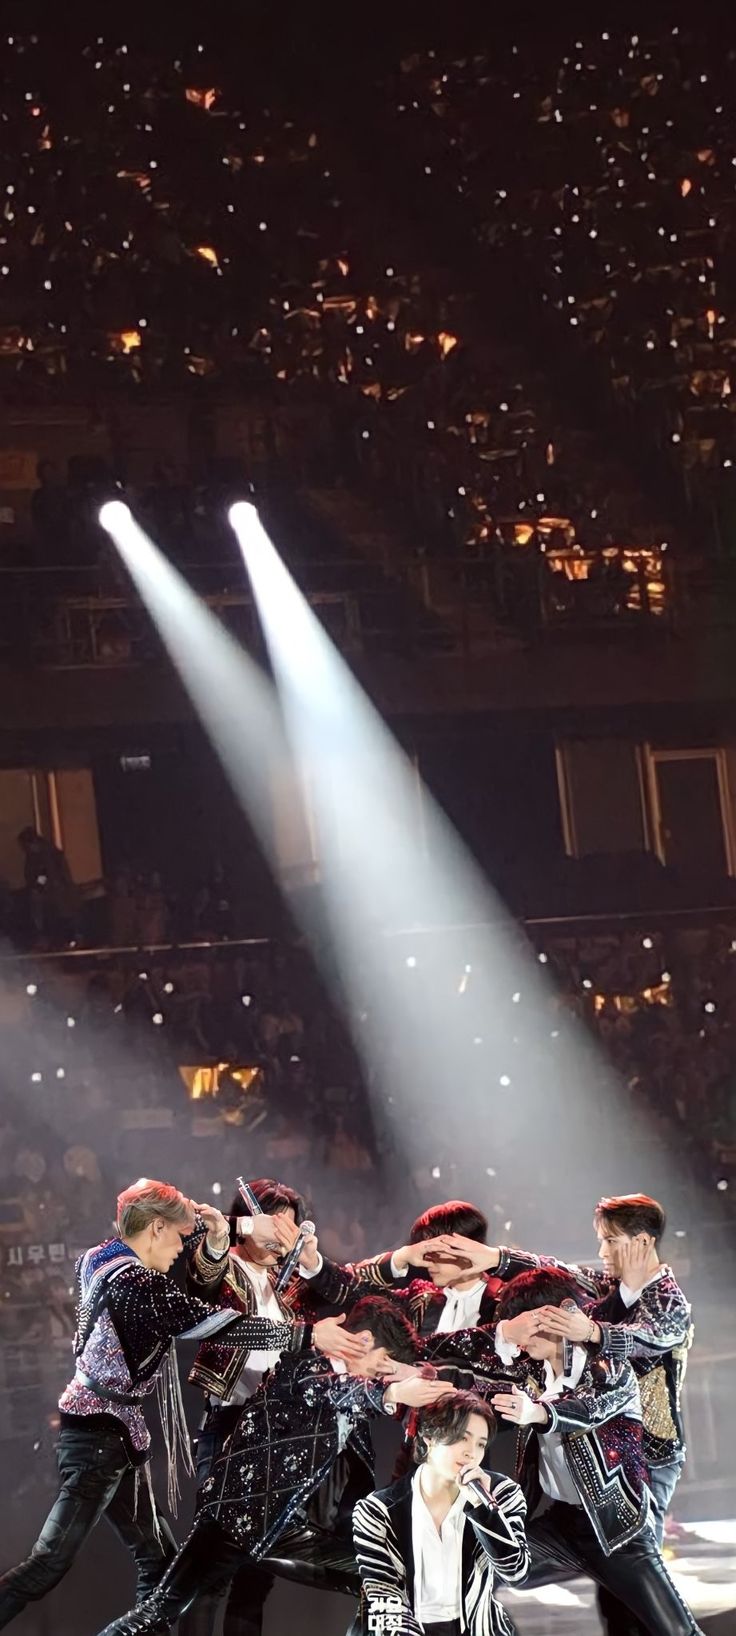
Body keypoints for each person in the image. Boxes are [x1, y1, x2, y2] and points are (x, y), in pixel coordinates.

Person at [0, 1178, 308, 1630]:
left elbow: (172, 1249)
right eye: (182, 1238)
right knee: (49, 1562)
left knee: (162, 1567)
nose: (182, 1249)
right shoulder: (140, 1286)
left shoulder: (99, 1257)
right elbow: (215, 1324)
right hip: (96, 1440)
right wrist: (301, 1335)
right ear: (158, 1228)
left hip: (114, 1436)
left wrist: (224, 1229)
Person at [93, 1297, 455, 1635]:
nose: (380, 1377)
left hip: (291, 1531)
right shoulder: (303, 1366)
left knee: (384, 1574)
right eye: (380, 1365)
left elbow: (370, 1393)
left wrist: (409, 1375)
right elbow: (330, 1391)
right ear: (361, 1341)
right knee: (161, 1608)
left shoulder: (359, 1390)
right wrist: (388, 1393)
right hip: (240, 1517)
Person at [180, 1177, 372, 1636]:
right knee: (211, 1562)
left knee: (256, 1571)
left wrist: (310, 1260)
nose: (279, 1238)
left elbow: (351, 1295)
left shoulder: (295, 1282)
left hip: (279, 1428)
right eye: (273, 1226)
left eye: (288, 1228)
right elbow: (200, 1275)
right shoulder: (221, 1262)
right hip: (229, 1422)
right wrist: (240, 1227)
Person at [468, 1267, 703, 1636]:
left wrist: (539, 1413)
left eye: (525, 1325)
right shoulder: (529, 1372)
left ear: (556, 1318)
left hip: (617, 1533)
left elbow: (587, 1410)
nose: (520, 1339)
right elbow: (474, 1369)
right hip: (560, 1527)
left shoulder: (610, 1369)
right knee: (472, 1562)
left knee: (676, 1632)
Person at [353, 1390, 528, 1636]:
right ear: (429, 1437)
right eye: (462, 1438)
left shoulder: (501, 1494)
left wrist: (483, 1507)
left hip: (476, 1628)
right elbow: (383, 1598)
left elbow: (516, 1572)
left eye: (480, 1444)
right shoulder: (376, 1510)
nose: (471, 1453)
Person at [303, 1199, 505, 1337]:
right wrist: (402, 1256)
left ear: (465, 1247)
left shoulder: (504, 1300)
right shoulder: (420, 1300)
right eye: (425, 1252)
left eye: (435, 1251)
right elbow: (352, 1288)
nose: (428, 1260)